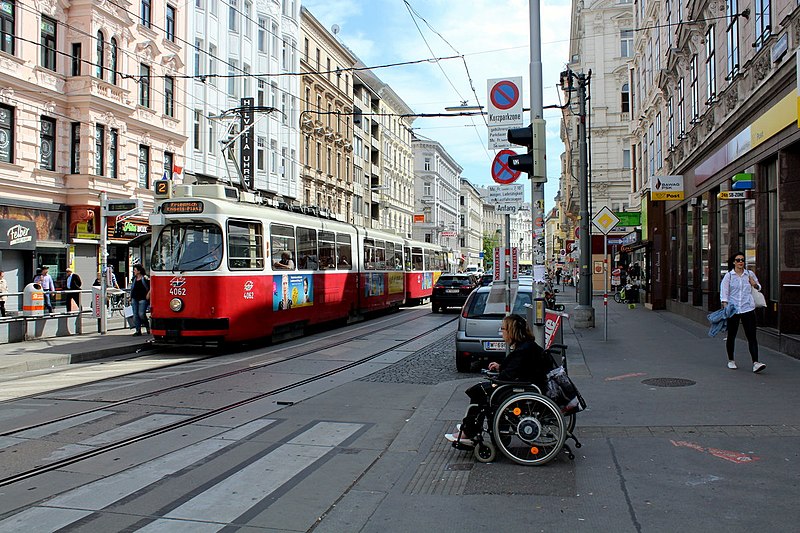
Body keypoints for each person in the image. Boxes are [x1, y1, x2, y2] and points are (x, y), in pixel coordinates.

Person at [445, 314, 553, 445]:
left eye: (503, 329)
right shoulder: (527, 346)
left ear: (511, 331)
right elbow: (519, 368)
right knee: (481, 390)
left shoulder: (523, 350)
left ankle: (469, 430)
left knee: (480, 391)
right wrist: (501, 367)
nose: (501, 332)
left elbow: (509, 375)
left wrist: (496, 378)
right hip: (527, 385)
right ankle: (470, 427)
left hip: (522, 389)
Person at [720, 251, 765, 373]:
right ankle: (731, 360)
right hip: (734, 309)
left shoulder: (749, 274)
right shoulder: (729, 276)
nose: (741, 262)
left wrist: (754, 284)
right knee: (732, 336)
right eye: (738, 260)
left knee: (752, 337)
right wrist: (725, 307)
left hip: (747, 308)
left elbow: (758, 287)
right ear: (734, 262)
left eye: (742, 260)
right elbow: (724, 293)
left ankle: (755, 362)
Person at [130, 264, 150, 336]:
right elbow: (132, 288)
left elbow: (151, 287)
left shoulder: (145, 278)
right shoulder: (134, 279)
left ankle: (147, 326)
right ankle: (138, 330)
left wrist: (148, 294)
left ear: (139, 271)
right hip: (135, 298)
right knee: (135, 315)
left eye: (135, 270)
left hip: (143, 298)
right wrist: (130, 296)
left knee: (141, 314)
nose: (134, 271)